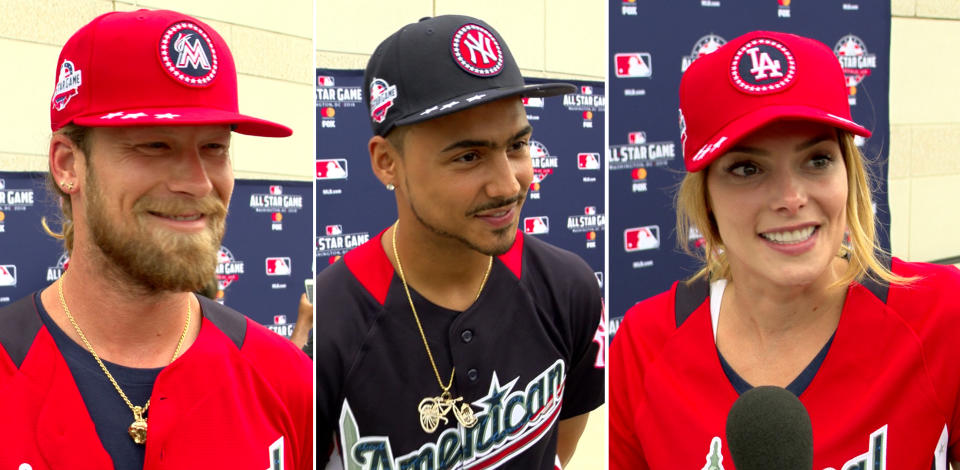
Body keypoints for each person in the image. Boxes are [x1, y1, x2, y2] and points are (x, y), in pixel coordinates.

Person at [609, 30, 960, 469]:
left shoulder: (943, 313)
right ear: (707, 198)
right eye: (747, 168)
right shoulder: (643, 343)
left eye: (817, 160)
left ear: (848, 174)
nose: (791, 198)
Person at [0, 9, 312, 469]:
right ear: (68, 164)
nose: (199, 182)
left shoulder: (286, 380)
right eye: (155, 146)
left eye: (214, 148)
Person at [315, 15, 605, 470]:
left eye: (517, 146)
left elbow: (559, 444)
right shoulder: (331, 324)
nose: (508, 185)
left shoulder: (569, 287)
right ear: (387, 162)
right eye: (469, 156)